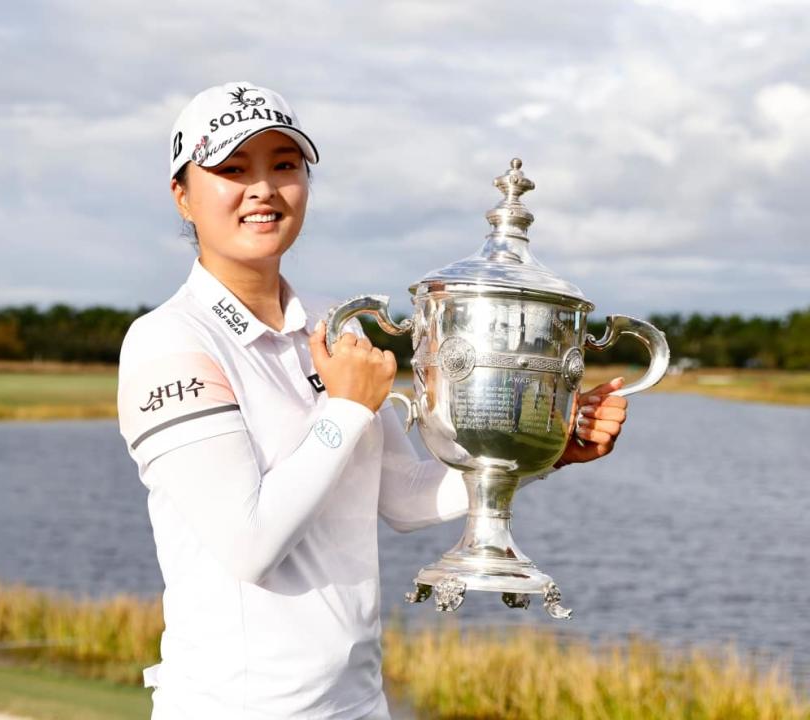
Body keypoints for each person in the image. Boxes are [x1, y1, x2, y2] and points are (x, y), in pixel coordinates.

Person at [117, 82, 628, 720]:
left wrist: (538, 450)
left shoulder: (334, 326)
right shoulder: (168, 340)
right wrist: (346, 411)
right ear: (183, 196)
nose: (263, 189)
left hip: (358, 703)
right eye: (231, 169)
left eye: (284, 166)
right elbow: (248, 542)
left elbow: (405, 497)